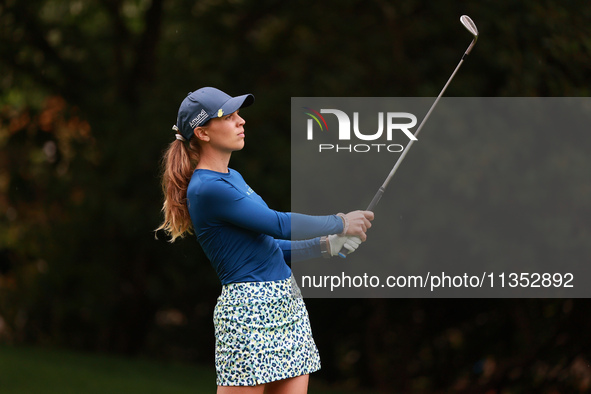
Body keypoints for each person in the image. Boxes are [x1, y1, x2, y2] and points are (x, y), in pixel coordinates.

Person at [156, 87, 374, 393]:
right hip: (250, 313)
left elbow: (266, 247)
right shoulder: (207, 188)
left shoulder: (232, 177)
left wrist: (326, 245)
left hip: (285, 302)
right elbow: (278, 224)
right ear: (203, 133)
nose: (241, 121)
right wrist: (340, 223)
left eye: (238, 115)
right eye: (229, 117)